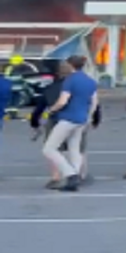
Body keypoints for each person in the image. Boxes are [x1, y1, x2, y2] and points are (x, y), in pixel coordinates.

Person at [42, 55, 98, 192]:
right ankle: (75, 176)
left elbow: (63, 101)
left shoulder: (69, 80)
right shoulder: (90, 81)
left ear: (70, 65)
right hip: (82, 119)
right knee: (74, 149)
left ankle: (70, 174)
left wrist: (50, 110)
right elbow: (94, 102)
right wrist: (89, 117)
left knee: (49, 149)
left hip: (68, 118)